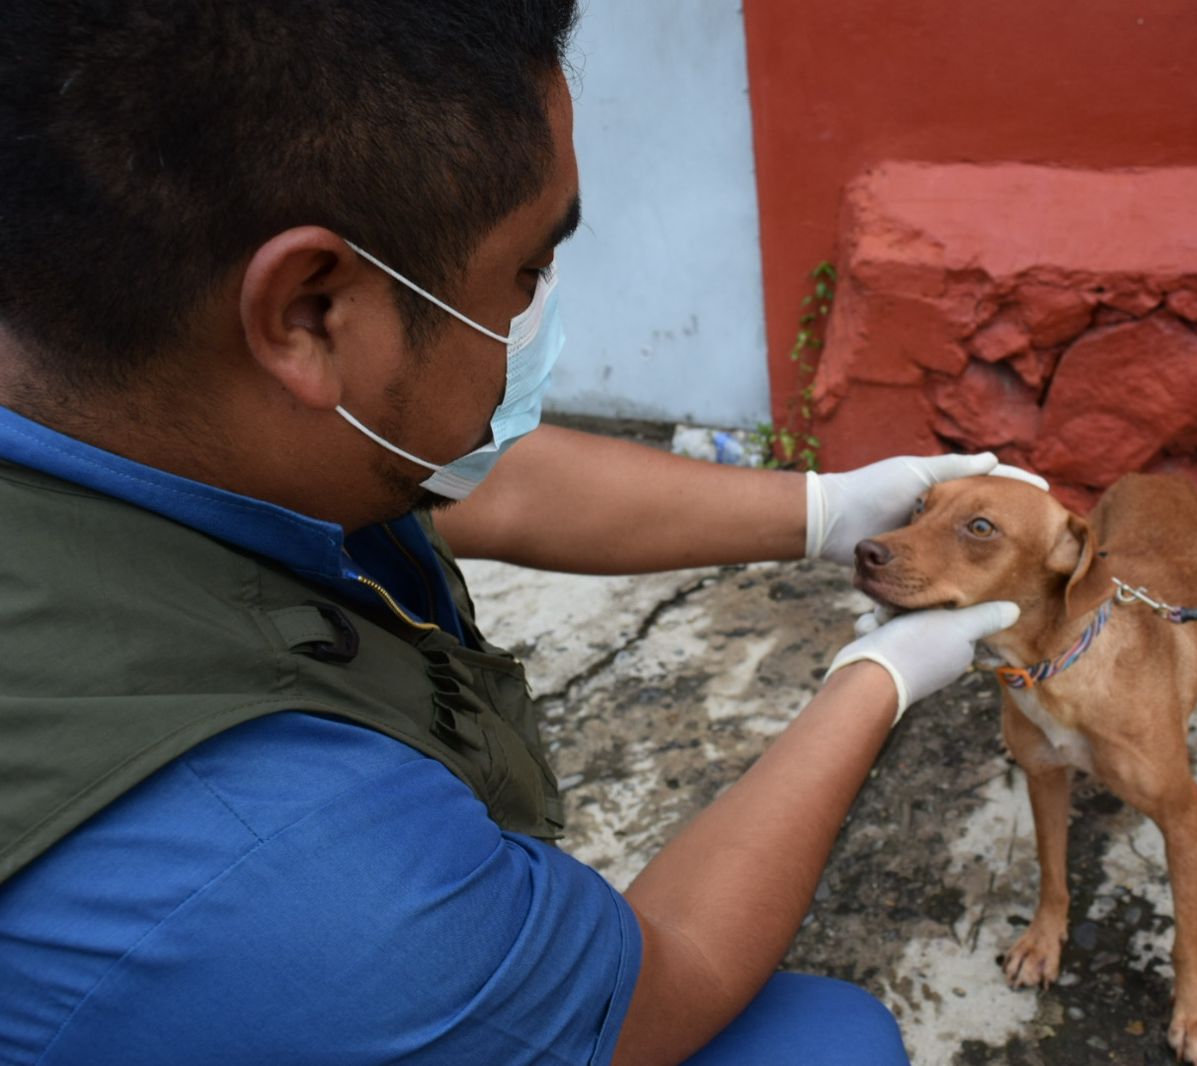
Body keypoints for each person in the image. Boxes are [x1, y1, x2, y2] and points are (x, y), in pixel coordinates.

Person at [0, 3, 1030, 1063]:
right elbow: (660, 977)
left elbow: (483, 487)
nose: (537, 311)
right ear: (310, 315)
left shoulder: (105, 399)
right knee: (826, 1044)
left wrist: (823, 510)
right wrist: (877, 678)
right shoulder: (288, 865)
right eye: (526, 272)